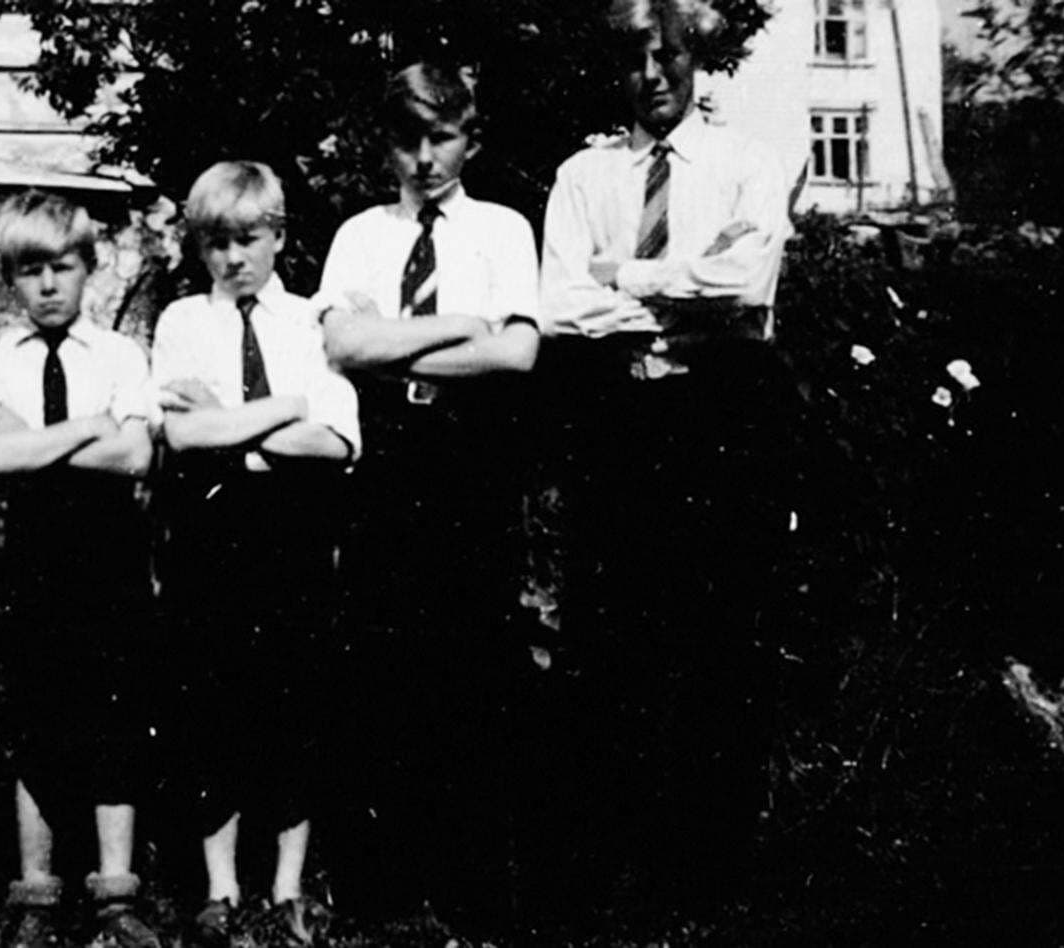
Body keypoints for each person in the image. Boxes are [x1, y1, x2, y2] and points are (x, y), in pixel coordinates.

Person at [538, 0, 796, 910]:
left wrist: (628, 276)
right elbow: (562, 306)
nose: (651, 75)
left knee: (722, 639)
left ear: (696, 57)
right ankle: (599, 863)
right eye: (633, 59)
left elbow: (746, 284)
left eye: (669, 55)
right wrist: (684, 285)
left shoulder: (746, 164)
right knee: (614, 637)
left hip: (722, 411)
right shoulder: (583, 176)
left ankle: (703, 870)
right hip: (620, 417)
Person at [316, 61, 541, 930]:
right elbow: (342, 348)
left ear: (469, 141)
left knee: (471, 662)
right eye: (407, 139)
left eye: (441, 138)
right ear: (386, 144)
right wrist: (460, 324)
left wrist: (395, 339)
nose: (424, 158)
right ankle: (380, 886)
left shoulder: (502, 230)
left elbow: (515, 354)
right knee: (382, 663)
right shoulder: (359, 235)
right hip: (386, 454)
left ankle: (471, 884)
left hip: (470, 456)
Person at [152, 161, 359, 947]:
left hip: (294, 530)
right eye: (216, 243)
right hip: (209, 530)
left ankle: (288, 884)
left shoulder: (310, 322)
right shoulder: (182, 322)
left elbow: (335, 441)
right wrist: (283, 411)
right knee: (214, 701)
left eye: (248, 239)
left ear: (278, 236)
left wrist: (233, 418)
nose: (233, 258)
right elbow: (181, 435)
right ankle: (221, 886)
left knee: (294, 698)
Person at [0, 190, 160, 948]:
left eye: (63, 267)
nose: (48, 285)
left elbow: (134, 454)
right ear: (12, 278)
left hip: (109, 552)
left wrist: (38, 446)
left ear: (88, 268)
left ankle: (115, 894)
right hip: (31, 557)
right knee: (34, 715)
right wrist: (89, 427)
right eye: (31, 270)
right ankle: (37, 895)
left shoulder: (118, 355)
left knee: (114, 713)